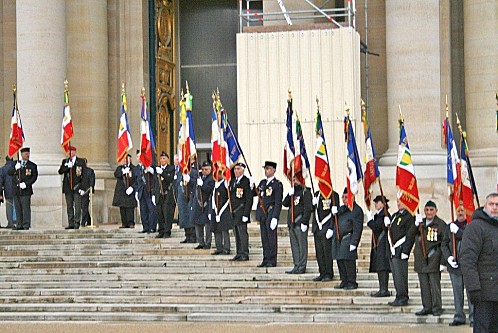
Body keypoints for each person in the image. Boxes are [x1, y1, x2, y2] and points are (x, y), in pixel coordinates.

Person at [461, 193, 498, 332]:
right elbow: (468, 259)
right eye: (491, 204)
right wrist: (473, 288)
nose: (495, 208)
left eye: (497, 205)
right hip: (484, 293)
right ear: (485, 206)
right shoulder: (475, 227)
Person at [410, 200, 447, 317]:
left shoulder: (441, 224)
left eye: (431, 210)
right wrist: (415, 225)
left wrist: (443, 262)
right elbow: (410, 236)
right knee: (424, 285)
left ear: (436, 211)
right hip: (421, 259)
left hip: (434, 259)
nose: (429, 212)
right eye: (427, 210)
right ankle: (427, 307)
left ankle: (437, 307)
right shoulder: (420, 224)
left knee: (434, 285)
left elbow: (445, 243)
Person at [442, 204, 474, 327]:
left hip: (469, 266)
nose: (460, 213)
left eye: (462, 210)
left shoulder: (471, 226)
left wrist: (459, 232)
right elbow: (444, 244)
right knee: (457, 293)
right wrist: (448, 258)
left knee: (471, 293)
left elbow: (470, 240)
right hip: (454, 267)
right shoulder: (450, 226)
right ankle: (459, 316)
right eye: (458, 211)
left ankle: (473, 317)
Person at [332, 188, 364, 290]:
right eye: (343, 197)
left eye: (346, 197)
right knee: (340, 260)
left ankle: (351, 281)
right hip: (339, 238)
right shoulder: (342, 209)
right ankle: (344, 280)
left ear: (352, 197)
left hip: (348, 237)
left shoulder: (357, 210)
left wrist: (354, 242)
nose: (344, 199)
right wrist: (334, 213)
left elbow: (358, 228)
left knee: (348, 261)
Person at [387, 199, 416, 307]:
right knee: (396, 276)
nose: (398, 203)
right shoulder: (395, 215)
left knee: (401, 276)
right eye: (398, 201)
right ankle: (399, 295)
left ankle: (403, 297)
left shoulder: (409, 216)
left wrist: (406, 251)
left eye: (401, 201)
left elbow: (410, 235)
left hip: (400, 250)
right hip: (393, 250)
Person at [255, 161, 283, 268]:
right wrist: (251, 184)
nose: (266, 171)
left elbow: (278, 202)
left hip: (271, 213)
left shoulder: (277, 184)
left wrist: (275, 217)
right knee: (264, 238)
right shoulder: (262, 183)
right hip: (263, 213)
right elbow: (256, 193)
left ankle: (272, 259)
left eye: (268, 169)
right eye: (265, 169)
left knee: (271, 238)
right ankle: (265, 258)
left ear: (273, 170)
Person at [282, 176, 312, 274]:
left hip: (300, 223)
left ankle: (302, 266)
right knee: (294, 246)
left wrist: (305, 222)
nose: (294, 181)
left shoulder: (305, 192)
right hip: (292, 223)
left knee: (302, 246)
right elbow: (285, 204)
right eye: (293, 179)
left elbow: (308, 208)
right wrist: (289, 194)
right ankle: (296, 265)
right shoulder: (293, 192)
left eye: (296, 179)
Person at [311, 190, 339, 282]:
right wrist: (313, 204)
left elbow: (335, 214)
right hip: (317, 228)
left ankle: (328, 273)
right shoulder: (317, 194)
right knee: (319, 252)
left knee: (327, 252)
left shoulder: (333, 195)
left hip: (327, 227)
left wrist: (331, 228)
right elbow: (313, 211)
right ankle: (322, 272)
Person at [7, 147, 38, 230]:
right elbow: (9, 172)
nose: (27, 155)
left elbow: (34, 177)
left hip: (26, 190)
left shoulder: (32, 165)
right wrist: (15, 169)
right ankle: (19, 224)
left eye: (28, 154)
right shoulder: (15, 164)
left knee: (25, 208)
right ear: (21, 155)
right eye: (25, 154)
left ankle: (26, 224)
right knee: (18, 208)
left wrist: (26, 184)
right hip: (16, 190)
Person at [367, 195, 392, 297]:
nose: (376, 204)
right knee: (379, 266)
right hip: (378, 243)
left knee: (383, 266)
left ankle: (384, 289)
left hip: (383, 244)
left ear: (383, 204)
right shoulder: (379, 215)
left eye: (378, 202)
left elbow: (377, 227)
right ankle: (382, 288)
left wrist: (369, 221)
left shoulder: (385, 215)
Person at [228, 162, 253, 261]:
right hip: (234, 212)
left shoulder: (246, 181)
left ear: (243, 170)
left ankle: (244, 253)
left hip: (242, 211)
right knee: (236, 233)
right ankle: (239, 252)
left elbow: (249, 199)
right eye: (235, 169)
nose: (236, 171)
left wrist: (246, 213)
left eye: (238, 169)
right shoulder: (233, 181)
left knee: (242, 233)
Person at [58, 146, 85, 229]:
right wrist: (67, 167)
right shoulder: (65, 161)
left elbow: (84, 174)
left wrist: (82, 187)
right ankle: (71, 223)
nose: (70, 153)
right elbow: (60, 171)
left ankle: (77, 222)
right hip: (67, 187)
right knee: (69, 206)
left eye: (72, 151)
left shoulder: (80, 161)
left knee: (77, 206)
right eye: (69, 151)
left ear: (75, 152)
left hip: (77, 186)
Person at [133, 150, 157, 233]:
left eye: (141, 156)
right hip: (141, 191)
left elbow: (155, 178)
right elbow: (136, 181)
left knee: (151, 209)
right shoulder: (137, 168)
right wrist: (136, 191)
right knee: (143, 210)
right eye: (138, 156)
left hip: (149, 190)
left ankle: (152, 227)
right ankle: (145, 227)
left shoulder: (150, 166)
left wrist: (151, 171)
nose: (139, 158)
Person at [192, 161, 214, 249]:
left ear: (210, 169)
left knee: (207, 225)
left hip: (206, 204)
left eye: (206, 169)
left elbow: (210, 190)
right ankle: (200, 242)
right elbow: (195, 191)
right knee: (198, 224)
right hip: (198, 204)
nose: (204, 171)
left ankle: (208, 242)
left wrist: (203, 185)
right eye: (203, 169)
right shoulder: (199, 178)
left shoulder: (211, 179)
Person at [210, 169, 231, 255]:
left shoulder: (225, 184)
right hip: (215, 210)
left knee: (224, 229)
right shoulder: (215, 185)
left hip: (223, 210)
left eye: (219, 173)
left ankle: (226, 248)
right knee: (216, 229)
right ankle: (219, 247)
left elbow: (227, 197)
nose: (216, 175)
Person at [154, 151, 176, 238]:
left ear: (167, 159)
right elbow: (154, 182)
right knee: (159, 213)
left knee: (167, 213)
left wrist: (162, 173)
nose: (162, 160)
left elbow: (170, 178)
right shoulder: (157, 169)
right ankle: (161, 230)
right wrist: (153, 193)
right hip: (159, 194)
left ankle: (167, 231)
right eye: (161, 158)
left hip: (167, 194)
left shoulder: (171, 168)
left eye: (164, 158)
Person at [112, 154, 137, 228]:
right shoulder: (120, 168)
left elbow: (136, 179)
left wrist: (132, 188)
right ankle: (124, 223)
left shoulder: (134, 168)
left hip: (130, 190)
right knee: (122, 207)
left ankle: (131, 222)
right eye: (124, 159)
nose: (125, 160)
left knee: (129, 207)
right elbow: (116, 174)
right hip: (121, 191)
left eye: (127, 159)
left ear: (130, 159)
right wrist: (123, 172)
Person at [0, 156, 17, 229]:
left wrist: (1, 193)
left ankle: (10, 223)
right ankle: (18, 222)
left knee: (9, 207)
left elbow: (0, 182)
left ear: (6, 160)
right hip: (18, 191)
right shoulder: (17, 167)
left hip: (8, 191)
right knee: (17, 207)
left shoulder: (3, 169)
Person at [79, 159, 95, 227]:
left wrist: (91, 191)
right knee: (82, 207)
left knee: (84, 207)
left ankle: (83, 222)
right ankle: (88, 220)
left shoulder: (90, 171)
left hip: (87, 191)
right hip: (80, 191)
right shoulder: (79, 171)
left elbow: (92, 182)